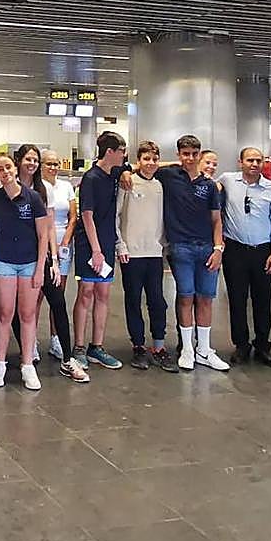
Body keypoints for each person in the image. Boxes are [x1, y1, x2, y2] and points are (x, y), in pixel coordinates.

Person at [124, 135, 229, 372]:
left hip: (207, 249)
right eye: (185, 154)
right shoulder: (169, 175)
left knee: (205, 299)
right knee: (185, 296)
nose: (190, 158)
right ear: (179, 155)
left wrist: (218, 248)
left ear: (199, 155)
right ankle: (187, 351)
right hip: (180, 247)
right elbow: (149, 164)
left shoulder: (210, 185)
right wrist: (127, 170)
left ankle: (203, 350)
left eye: (194, 154)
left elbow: (216, 219)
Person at [0, 153, 51, 390]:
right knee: (4, 313)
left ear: (15, 167)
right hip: (3, 262)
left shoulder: (33, 198)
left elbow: (43, 235)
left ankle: (27, 365)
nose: (5, 172)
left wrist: (41, 268)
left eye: (8, 167)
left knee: (28, 314)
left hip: (29, 262)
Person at [10, 144, 77, 376]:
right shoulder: (10, 186)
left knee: (57, 300)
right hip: (17, 257)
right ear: (18, 160)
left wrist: (54, 259)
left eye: (35, 160)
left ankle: (68, 357)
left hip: (42, 255)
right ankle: (27, 349)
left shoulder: (43, 189)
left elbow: (48, 228)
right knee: (22, 307)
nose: (32, 164)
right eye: (28, 159)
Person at [218, 147, 271, 367]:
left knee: (262, 301)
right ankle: (241, 345)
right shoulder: (227, 180)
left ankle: (263, 345)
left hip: (263, 251)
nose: (254, 164)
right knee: (237, 300)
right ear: (240, 162)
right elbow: (205, 179)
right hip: (235, 250)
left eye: (258, 160)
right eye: (250, 160)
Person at [116, 141, 175, 372]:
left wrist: (164, 246)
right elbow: (116, 216)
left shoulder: (161, 185)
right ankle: (138, 346)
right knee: (133, 300)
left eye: (154, 159)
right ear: (138, 160)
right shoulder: (127, 183)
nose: (150, 163)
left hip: (154, 253)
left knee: (157, 301)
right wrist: (120, 246)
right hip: (131, 253)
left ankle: (158, 346)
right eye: (146, 159)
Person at [73, 132, 126, 373]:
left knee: (103, 293)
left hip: (106, 242)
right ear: (110, 152)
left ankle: (97, 346)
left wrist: (125, 171)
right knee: (86, 292)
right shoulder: (91, 178)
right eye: (121, 151)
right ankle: (79, 347)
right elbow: (87, 214)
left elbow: (132, 168)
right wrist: (95, 250)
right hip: (89, 243)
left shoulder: (115, 173)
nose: (124, 156)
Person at [42, 149, 77, 363]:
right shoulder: (38, 186)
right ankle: (31, 344)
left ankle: (56, 339)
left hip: (64, 244)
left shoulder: (66, 186)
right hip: (42, 243)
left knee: (59, 294)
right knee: (36, 295)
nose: (53, 167)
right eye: (49, 163)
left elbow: (73, 217)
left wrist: (65, 241)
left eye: (56, 164)